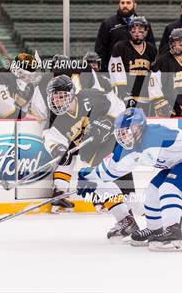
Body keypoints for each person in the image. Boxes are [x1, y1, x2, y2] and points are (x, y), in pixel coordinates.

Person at [76, 107, 182, 251]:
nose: (123, 136)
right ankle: (155, 230)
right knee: (152, 192)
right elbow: (109, 171)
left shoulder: (157, 135)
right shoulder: (126, 149)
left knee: (168, 188)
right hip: (176, 164)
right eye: (120, 132)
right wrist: (87, 176)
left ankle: (173, 233)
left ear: (139, 127)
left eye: (127, 130)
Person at [29, 74, 126, 214]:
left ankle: (109, 202)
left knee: (97, 171)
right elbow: (50, 136)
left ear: (72, 94)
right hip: (86, 144)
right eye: (54, 97)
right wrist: (57, 149)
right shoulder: (55, 117)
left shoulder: (91, 97)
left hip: (107, 141)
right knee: (67, 156)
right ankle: (60, 191)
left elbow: (118, 106)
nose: (57, 101)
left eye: (61, 96)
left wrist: (109, 121)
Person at [95, 0, 156, 72]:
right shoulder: (108, 24)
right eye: (122, 3)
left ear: (135, 5)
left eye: (128, 3)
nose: (125, 5)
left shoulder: (144, 25)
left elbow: (151, 48)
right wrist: (104, 72)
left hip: (139, 72)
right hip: (114, 73)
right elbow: (100, 50)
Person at [108, 16, 157, 115]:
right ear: (129, 31)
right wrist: (122, 93)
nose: (137, 33)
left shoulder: (151, 49)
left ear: (146, 31)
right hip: (127, 96)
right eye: (134, 30)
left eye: (140, 30)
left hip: (146, 96)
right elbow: (115, 72)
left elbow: (154, 73)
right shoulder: (120, 47)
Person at [152, 28, 182, 117]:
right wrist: (161, 102)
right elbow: (154, 82)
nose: (177, 46)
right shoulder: (163, 61)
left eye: (180, 43)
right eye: (174, 43)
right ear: (171, 44)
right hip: (169, 103)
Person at [0, 53, 41, 119]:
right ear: (17, 71)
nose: (29, 78)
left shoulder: (11, 76)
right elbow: (3, 108)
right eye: (27, 75)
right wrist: (27, 115)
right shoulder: (2, 76)